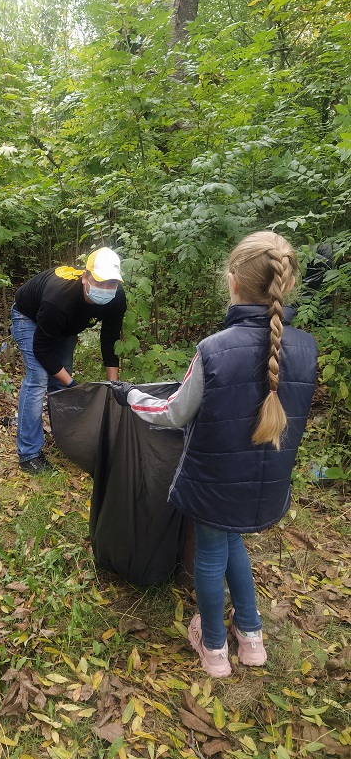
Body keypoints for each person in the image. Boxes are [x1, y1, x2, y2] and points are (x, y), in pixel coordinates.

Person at [116, 231, 316, 677]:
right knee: (233, 542)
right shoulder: (307, 346)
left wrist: (129, 397)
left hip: (214, 481)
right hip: (267, 482)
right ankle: (251, 638)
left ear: (234, 283)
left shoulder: (214, 349)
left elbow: (173, 412)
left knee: (210, 554)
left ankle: (213, 650)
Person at [11, 247, 127, 473]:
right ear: (85, 277)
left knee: (60, 378)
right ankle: (29, 454)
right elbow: (42, 349)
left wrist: (114, 385)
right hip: (29, 315)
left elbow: (110, 340)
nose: (106, 289)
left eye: (111, 284)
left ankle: (65, 438)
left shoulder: (117, 297)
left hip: (65, 325)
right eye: (100, 282)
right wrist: (73, 385)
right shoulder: (60, 298)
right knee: (38, 377)